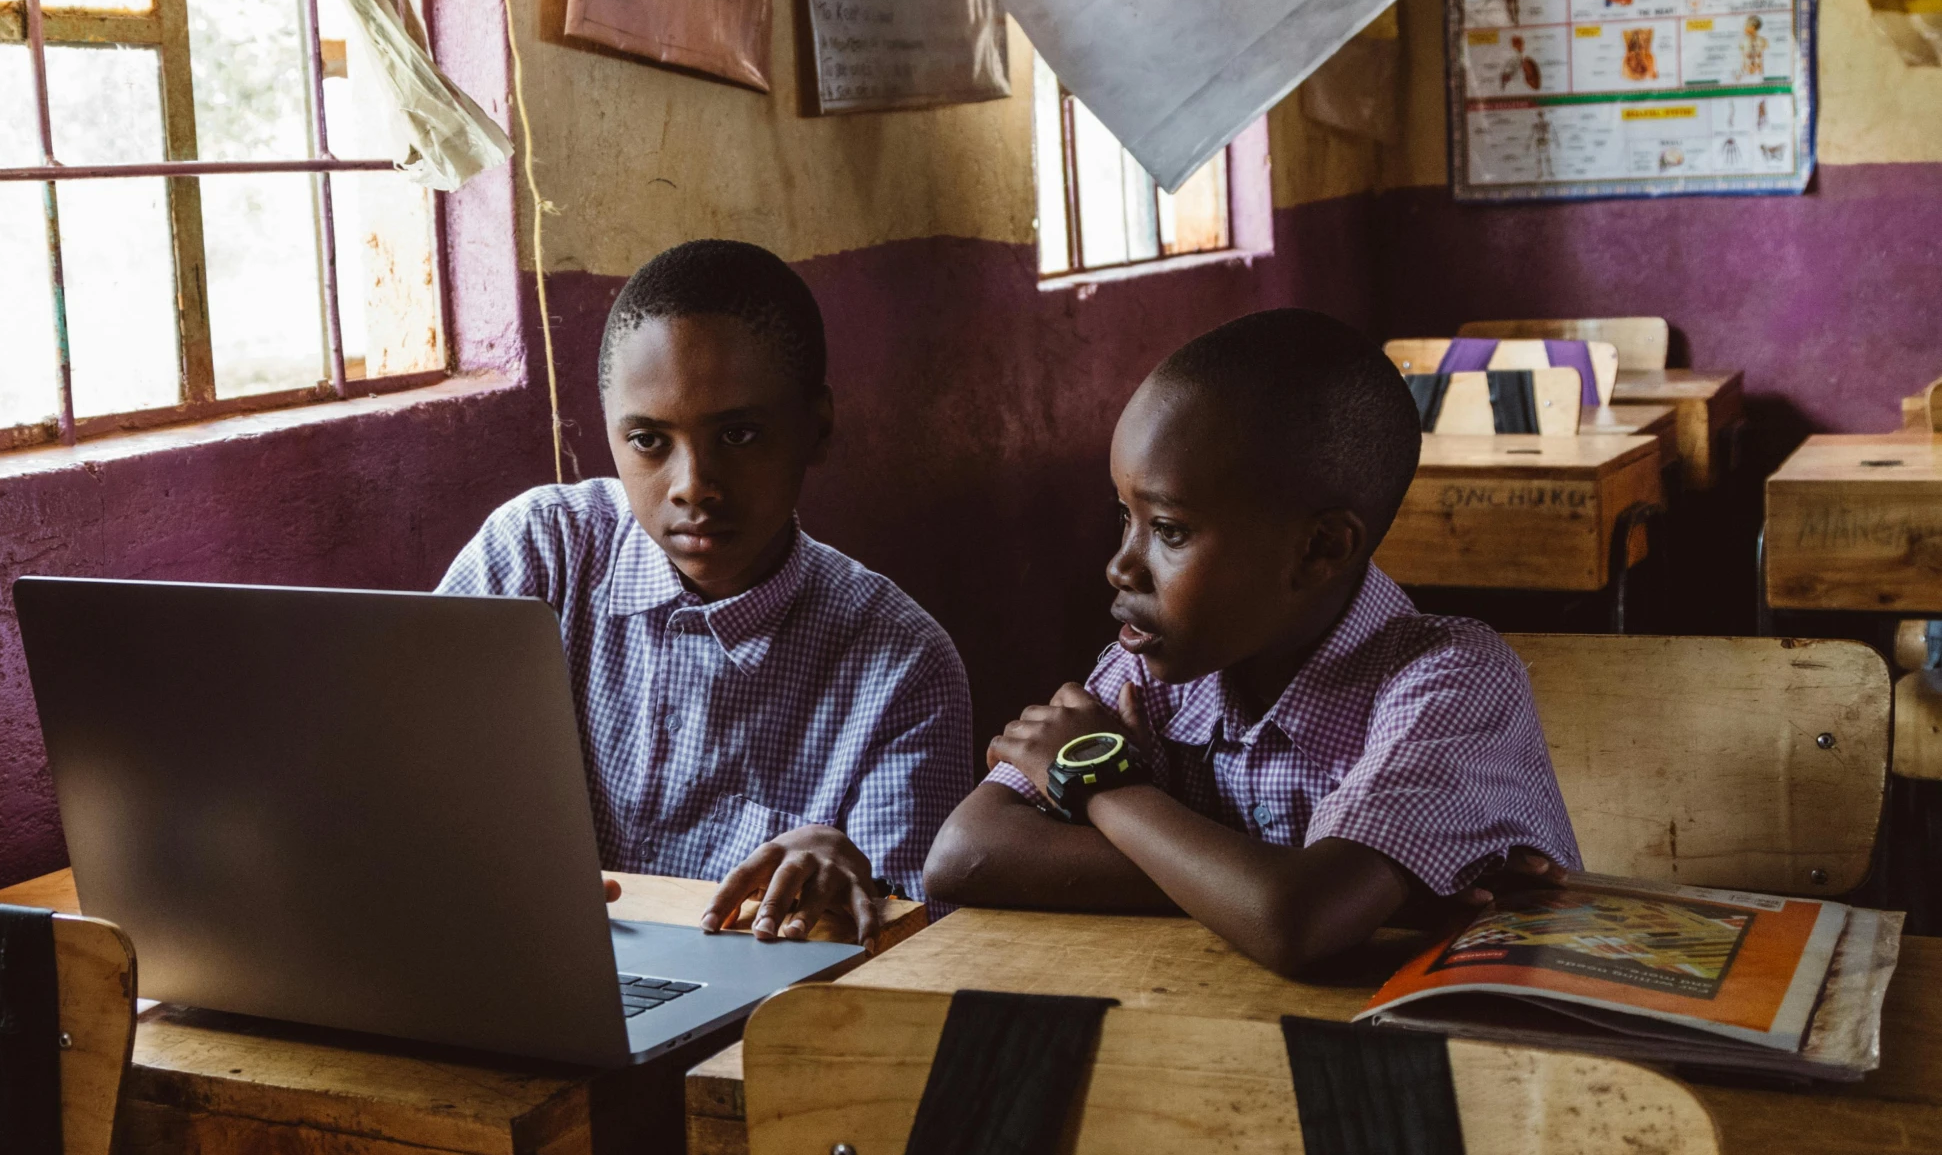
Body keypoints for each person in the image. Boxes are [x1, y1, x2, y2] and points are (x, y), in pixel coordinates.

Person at [924, 309, 1577, 975]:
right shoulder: (1149, 667)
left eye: (1171, 530)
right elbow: (963, 852)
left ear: (1320, 548)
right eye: (1127, 515)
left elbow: (1297, 918)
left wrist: (1104, 786)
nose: (1120, 565)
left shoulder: (1452, 680)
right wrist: (1291, 889)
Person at [439, 239, 973, 942]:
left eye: (741, 433)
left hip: (761, 1031)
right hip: (513, 969)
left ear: (818, 429)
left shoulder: (903, 665)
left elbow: (907, 951)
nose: (694, 484)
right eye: (650, 441)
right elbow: (391, 772)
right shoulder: (538, 555)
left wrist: (854, 893)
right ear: (610, 434)